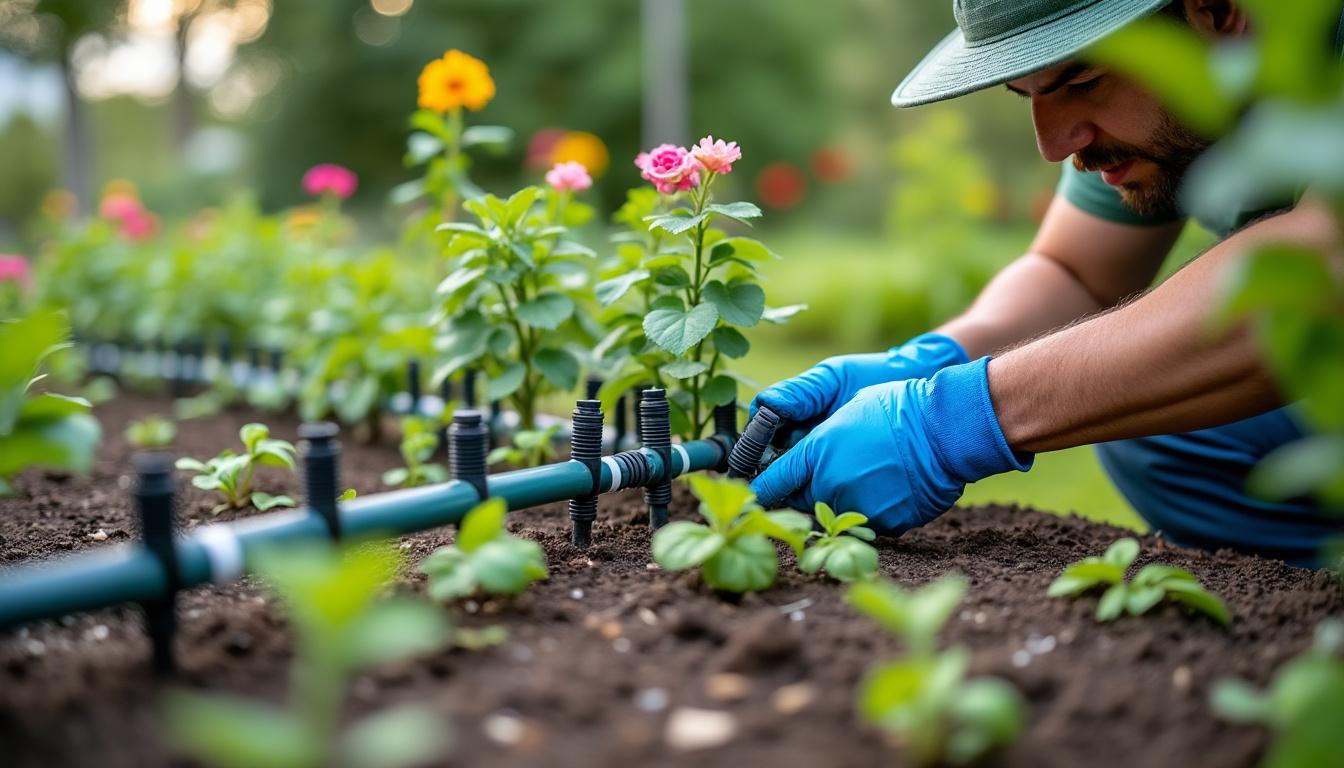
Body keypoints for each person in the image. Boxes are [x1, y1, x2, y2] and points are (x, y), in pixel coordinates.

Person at [748, 0, 1344, 567]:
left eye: (1082, 83)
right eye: (1027, 93)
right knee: (1169, 434)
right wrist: (929, 363)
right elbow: (1077, 272)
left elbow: (1319, 277)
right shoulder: (1152, 121)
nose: (1054, 145)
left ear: (1214, 10)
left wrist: (954, 422)